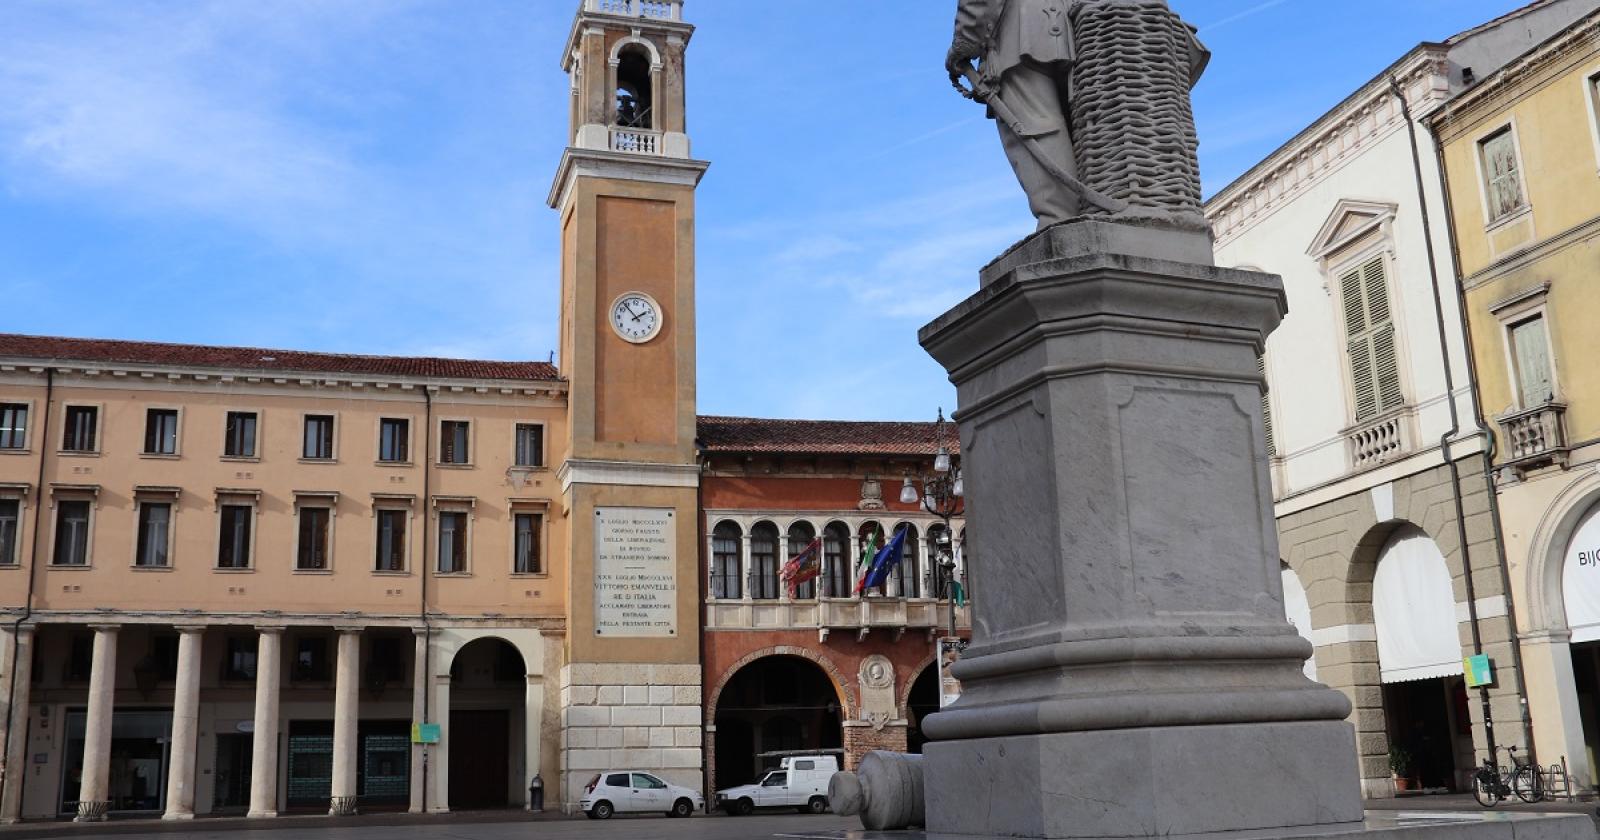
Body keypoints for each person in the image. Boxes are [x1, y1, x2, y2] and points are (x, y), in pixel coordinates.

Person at [947, 0, 1083, 228]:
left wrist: (964, 43)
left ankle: (1060, 220)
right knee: (1081, 125)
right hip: (1077, 29)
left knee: (1036, 125)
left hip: (1021, 34)